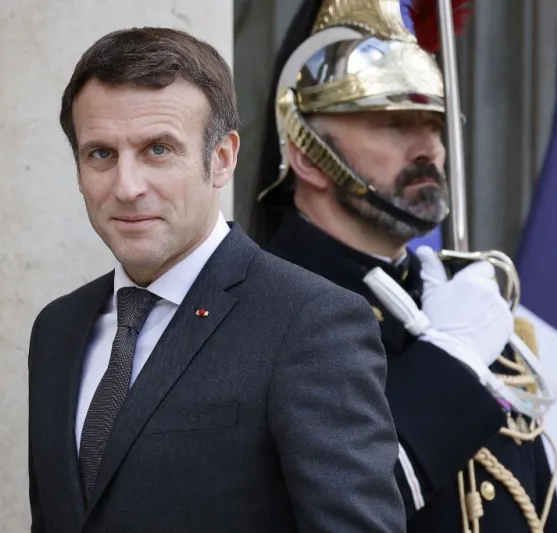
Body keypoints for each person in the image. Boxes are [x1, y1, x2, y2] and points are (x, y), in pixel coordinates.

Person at [27, 26, 406, 533]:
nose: (127, 186)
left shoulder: (310, 321)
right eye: (101, 154)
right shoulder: (57, 329)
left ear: (222, 158)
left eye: (158, 149)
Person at [251, 1, 557, 532]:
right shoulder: (258, 313)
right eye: (394, 123)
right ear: (305, 154)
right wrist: (451, 364)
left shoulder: (464, 305)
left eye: (436, 124)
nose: (430, 149)